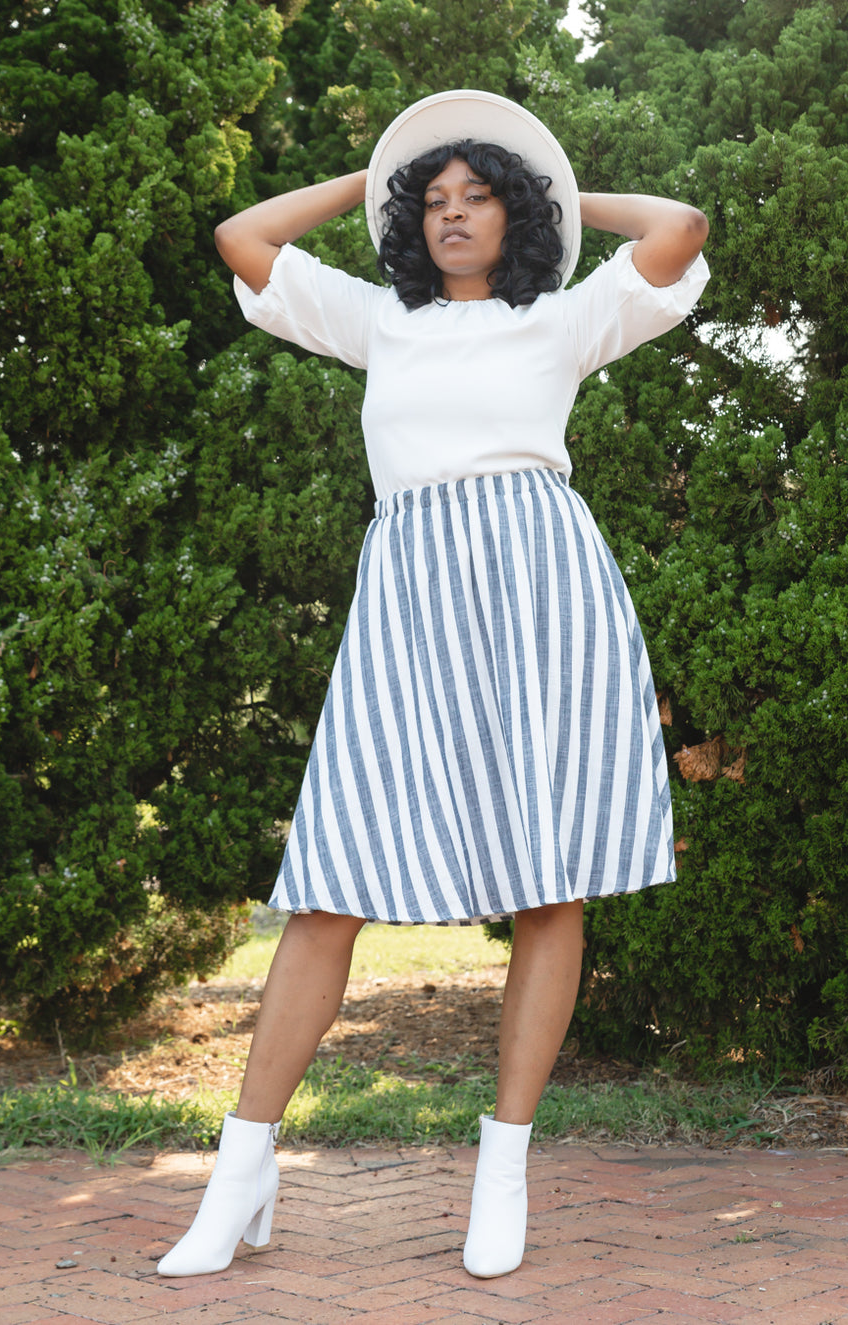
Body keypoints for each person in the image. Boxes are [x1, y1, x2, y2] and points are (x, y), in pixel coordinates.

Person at [157, 89, 708, 1282]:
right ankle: (241, 1169)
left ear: (517, 216)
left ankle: (502, 1161)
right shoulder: (379, 320)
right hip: (408, 600)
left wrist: (558, 191)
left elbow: (678, 225)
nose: (453, 215)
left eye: (478, 196)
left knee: (549, 881)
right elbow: (244, 241)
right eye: (436, 200)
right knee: (330, 877)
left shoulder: (563, 320)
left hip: (545, 598)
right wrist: (376, 177)